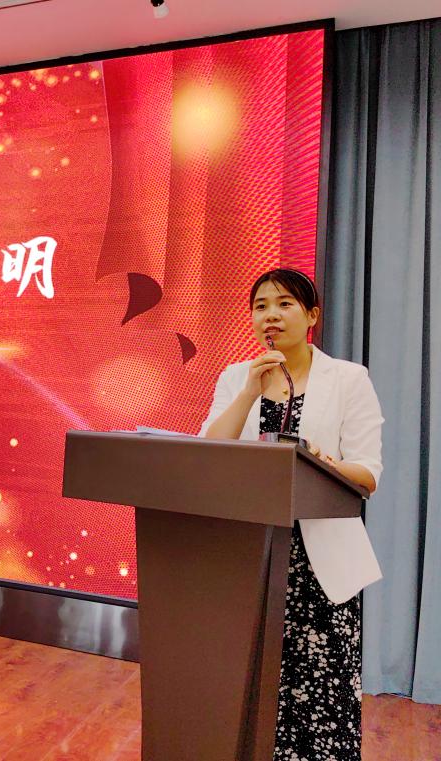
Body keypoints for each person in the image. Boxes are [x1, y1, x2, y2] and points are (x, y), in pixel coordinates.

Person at [200, 268, 384, 760]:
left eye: (284, 304)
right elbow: (207, 454)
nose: (271, 316)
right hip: (249, 555)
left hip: (319, 561)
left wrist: (322, 462)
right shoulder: (236, 377)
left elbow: (368, 473)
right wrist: (248, 393)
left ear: (312, 316)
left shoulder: (348, 379)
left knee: (320, 689)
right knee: (251, 683)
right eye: (260, 306)